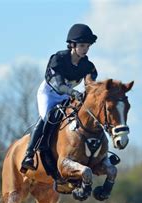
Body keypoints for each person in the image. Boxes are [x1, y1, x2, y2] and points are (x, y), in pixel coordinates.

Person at [20, 23, 98, 173]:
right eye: (82, 46)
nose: (85, 49)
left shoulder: (88, 66)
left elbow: (91, 84)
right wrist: (74, 93)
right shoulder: (58, 59)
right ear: (73, 45)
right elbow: (59, 85)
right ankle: (29, 154)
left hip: (67, 96)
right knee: (47, 117)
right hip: (50, 93)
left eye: (87, 46)